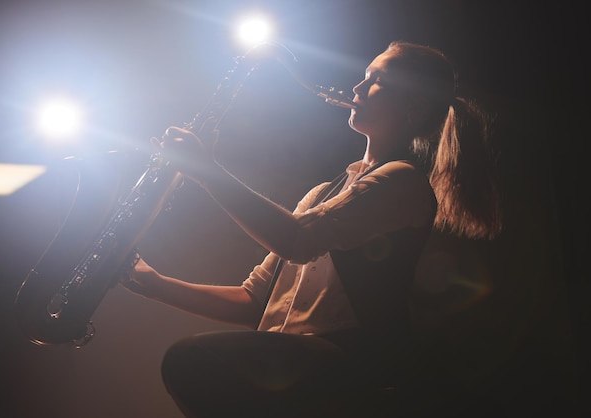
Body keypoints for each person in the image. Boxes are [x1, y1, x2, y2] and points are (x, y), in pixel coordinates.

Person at [122, 41, 502, 417]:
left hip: (347, 365)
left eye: (376, 79)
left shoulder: (402, 180)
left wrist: (205, 170)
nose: (356, 87)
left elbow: (296, 240)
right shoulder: (325, 193)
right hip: (287, 362)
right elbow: (254, 300)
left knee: (189, 360)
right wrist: (152, 282)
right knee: (195, 363)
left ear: (413, 106)